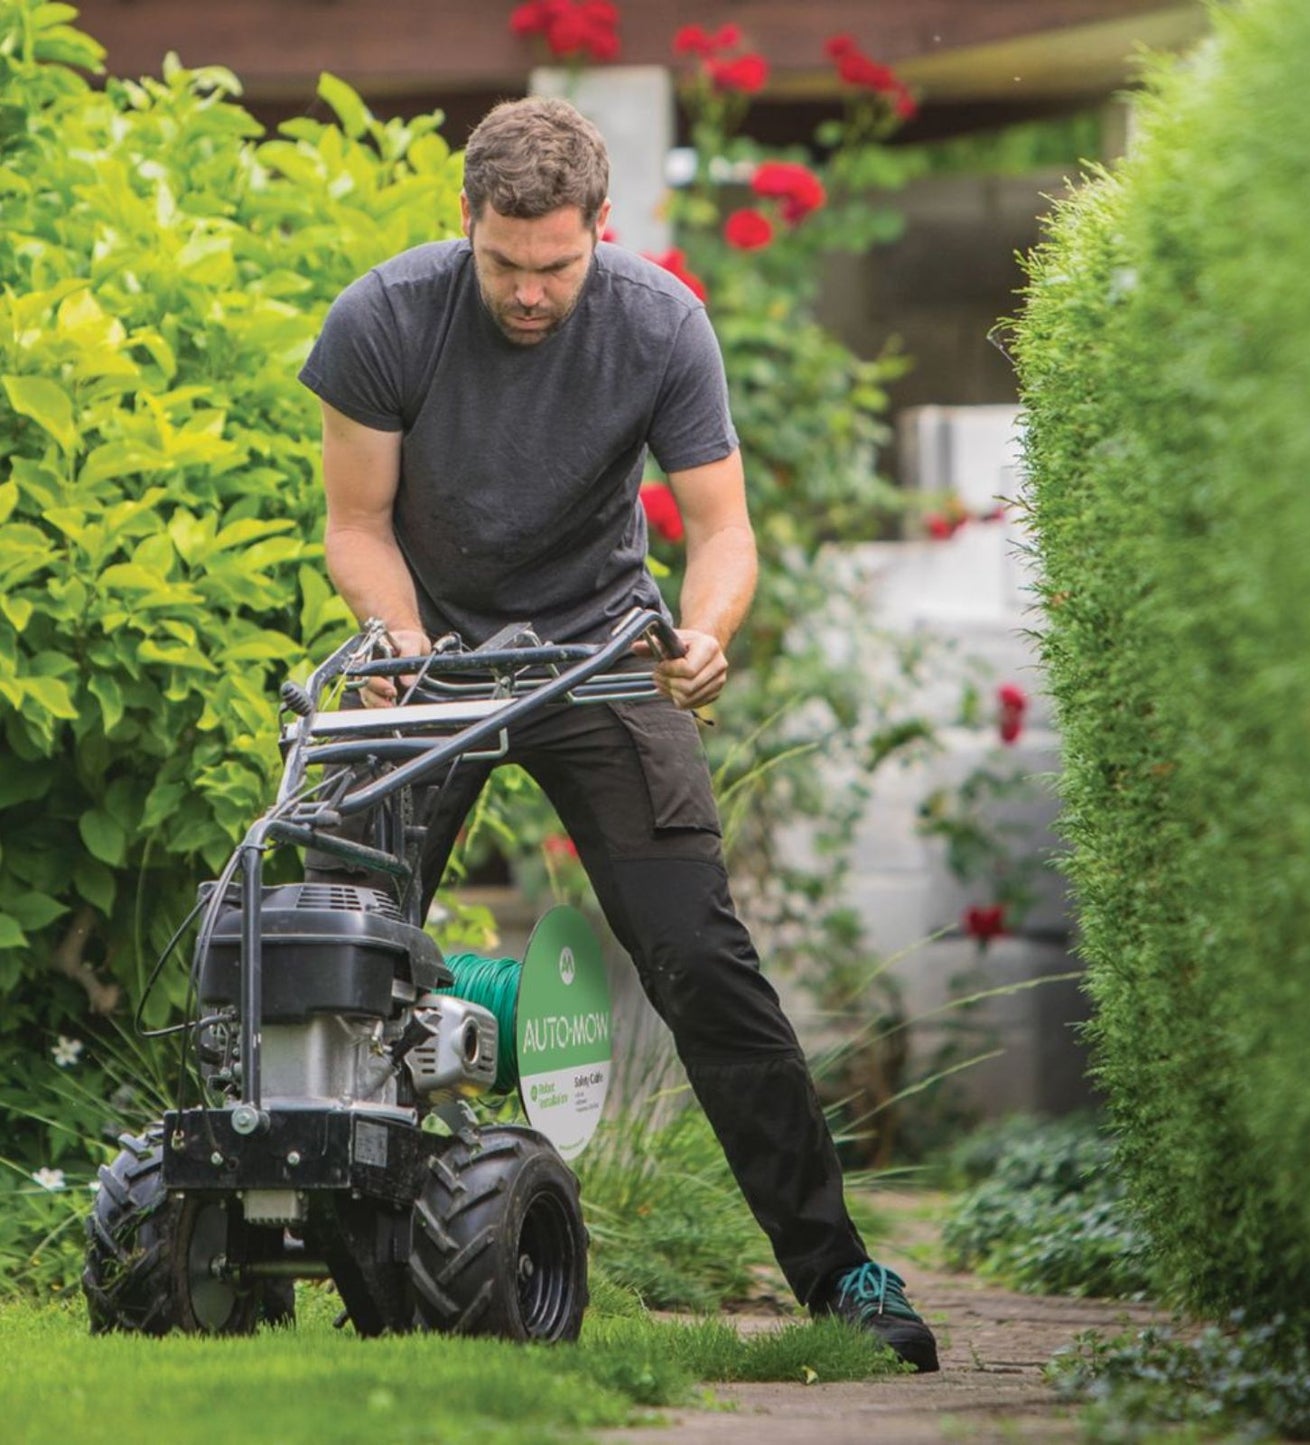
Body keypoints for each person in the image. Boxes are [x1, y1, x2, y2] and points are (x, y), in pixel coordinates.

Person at [298, 95, 938, 1373]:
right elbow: (356, 524)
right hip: (431, 658)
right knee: (333, 941)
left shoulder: (659, 322)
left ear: (602, 225)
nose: (529, 292)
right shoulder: (383, 316)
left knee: (701, 953)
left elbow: (722, 529)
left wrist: (703, 633)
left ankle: (839, 1266)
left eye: (556, 265)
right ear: (465, 225)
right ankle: (313, 1255)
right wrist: (406, 647)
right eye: (503, 263)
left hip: (597, 650)